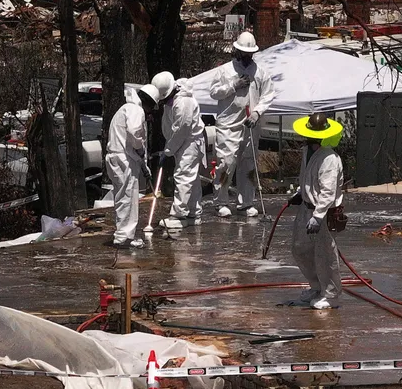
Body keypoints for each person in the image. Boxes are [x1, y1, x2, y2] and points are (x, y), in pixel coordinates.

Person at [208, 31, 276, 217]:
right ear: (237, 51)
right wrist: (232, 85)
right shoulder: (225, 71)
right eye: (243, 53)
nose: (247, 57)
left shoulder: (259, 72)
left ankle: (246, 202)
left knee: (248, 163)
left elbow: (268, 94)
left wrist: (257, 112)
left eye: (249, 54)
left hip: (249, 124)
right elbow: (213, 92)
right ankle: (220, 201)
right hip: (228, 124)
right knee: (226, 162)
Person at [289, 113, 345, 310]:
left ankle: (331, 295)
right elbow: (306, 178)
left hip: (322, 212)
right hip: (306, 208)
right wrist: (300, 192)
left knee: (325, 254)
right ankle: (317, 287)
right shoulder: (308, 152)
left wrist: (318, 216)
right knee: (300, 249)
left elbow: (328, 191)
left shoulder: (329, 158)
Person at [105, 84, 160, 248]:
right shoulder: (136, 109)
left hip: (119, 157)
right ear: (148, 103)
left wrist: (143, 164)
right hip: (124, 160)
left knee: (124, 197)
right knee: (127, 198)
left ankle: (124, 235)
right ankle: (123, 238)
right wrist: (140, 149)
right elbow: (135, 133)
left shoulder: (125, 108)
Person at [158, 76, 207, 230]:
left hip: (189, 143)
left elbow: (182, 128)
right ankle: (193, 212)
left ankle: (179, 214)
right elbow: (172, 129)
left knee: (183, 176)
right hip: (184, 143)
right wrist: (169, 147)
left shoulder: (183, 102)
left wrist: (168, 151)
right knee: (192, 178)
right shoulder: (172, 101)